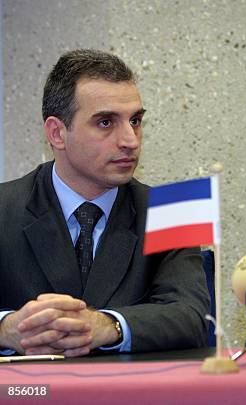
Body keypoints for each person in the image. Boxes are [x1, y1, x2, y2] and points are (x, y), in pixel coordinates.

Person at [0, 49, 210, 357]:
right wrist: (6, 329)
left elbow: (193, 318)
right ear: (57, 133)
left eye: (135, 120)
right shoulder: (4, 208)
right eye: (105, 123)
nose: (130, 140)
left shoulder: (172, 209)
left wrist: (108, 325)